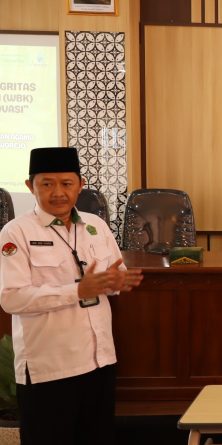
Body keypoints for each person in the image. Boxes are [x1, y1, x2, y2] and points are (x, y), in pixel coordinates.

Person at [0, 146, 143, 445]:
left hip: (99, 361)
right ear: (30, 186)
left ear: (80, 185)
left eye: (66, 183)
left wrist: (116, 281)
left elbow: (112, 276)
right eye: (47, 184)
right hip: (50, 367)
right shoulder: (15, 233)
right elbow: (12, 298)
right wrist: (76, 291)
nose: (58, 193)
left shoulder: (95, 226)